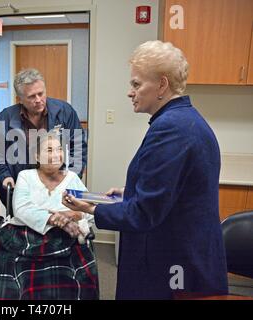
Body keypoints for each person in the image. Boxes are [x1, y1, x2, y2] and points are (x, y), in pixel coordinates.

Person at [62, 40, 228, 300]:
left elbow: (144, 213)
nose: (130, 92)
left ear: (162, 85)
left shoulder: (171, 129)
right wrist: (129, 192)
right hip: (182, 254)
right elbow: (173, 190)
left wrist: (92, 209)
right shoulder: (184, 120)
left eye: (137, 84)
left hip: (171, 263)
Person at [0, 132, 99, 300]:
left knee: (64, 282)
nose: (56, 155)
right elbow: (21, 209)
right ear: (37, 155)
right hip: (25, 237)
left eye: (59, 149)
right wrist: (54, 218)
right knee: (20, 282)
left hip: (63, 241)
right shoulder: (26, 176)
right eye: (49, 150)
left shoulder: (72, 178)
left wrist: (71, 215)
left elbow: (89, 211)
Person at [0, 68, 87, 205]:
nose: (38, 100)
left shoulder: (64, 112)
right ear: (19, 99)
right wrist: (4, 176)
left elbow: (79, 145)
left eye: (41, 93)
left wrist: (72, 176)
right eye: (32, 96)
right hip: (20, 187)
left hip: (58, 187)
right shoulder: (4, 118)